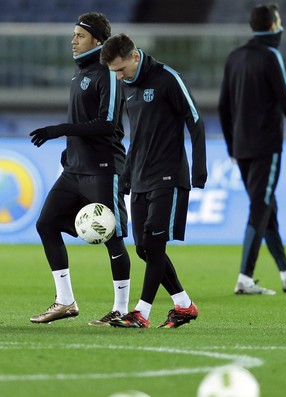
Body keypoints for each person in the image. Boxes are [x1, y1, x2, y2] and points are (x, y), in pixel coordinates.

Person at [29, 12, 131, 324]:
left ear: (97, 42)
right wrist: (68, 153)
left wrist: (60, 129)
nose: (73, 41)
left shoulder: (107, 74)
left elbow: (107, 124)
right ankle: (65, 301)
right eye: (73, 35)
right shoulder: (80, 74)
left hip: (103, 169)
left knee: (112, 237)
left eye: (80, 36)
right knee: (46, 224)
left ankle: (122, 310)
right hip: (74, 170)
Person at [100, 33, 207, 328]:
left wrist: (199, 168)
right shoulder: (128, 87)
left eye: (121, 69)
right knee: (143, 249)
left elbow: (195, 120)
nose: (119, 77)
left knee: (155, 244)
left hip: (169, 175)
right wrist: (126, 177)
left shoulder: (167, 77)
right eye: (114, 73)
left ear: (135, 56)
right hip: (141, 178)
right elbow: (138, 137)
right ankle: (184, 305)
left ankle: (141, 312)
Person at [218, 3, 286, 295]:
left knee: (267, 207)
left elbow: (223, 107)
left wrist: (231, 144)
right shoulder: (271, 56)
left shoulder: (235, 57)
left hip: (241, 147)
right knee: (260, 206)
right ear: (273, 25)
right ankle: (245, 277)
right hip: (266, 146)